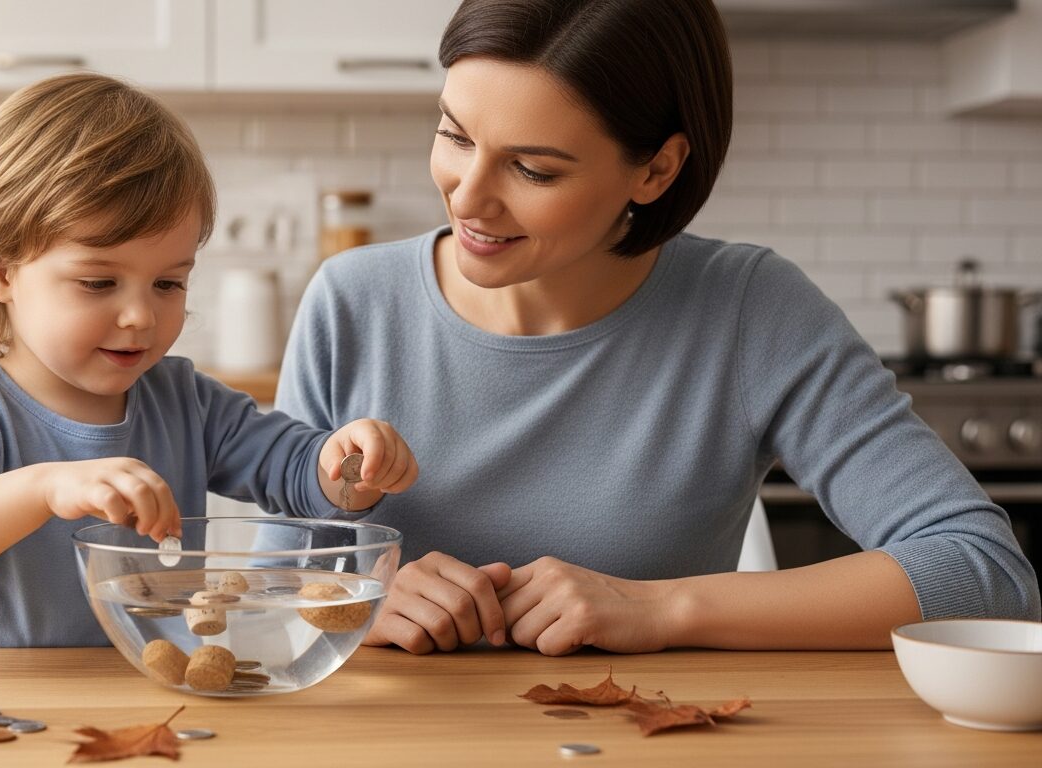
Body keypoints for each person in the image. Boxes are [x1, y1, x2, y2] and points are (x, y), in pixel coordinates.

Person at [276, 0, 1040, 657]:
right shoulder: (353, 300)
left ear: (656, 171)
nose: (468, 197)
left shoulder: (749, 308)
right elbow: (266, 583)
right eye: (455, 135)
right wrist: (363, 600)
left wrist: (662, 607)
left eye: (533, 170)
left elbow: (984, 575)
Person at [0, 73, 418, 648]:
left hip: (153, 701)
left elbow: (295, 472)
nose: (141, 316)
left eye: (168, 283)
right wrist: (44, 488)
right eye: (99, 282)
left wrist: (348, 465)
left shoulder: (184, 401)